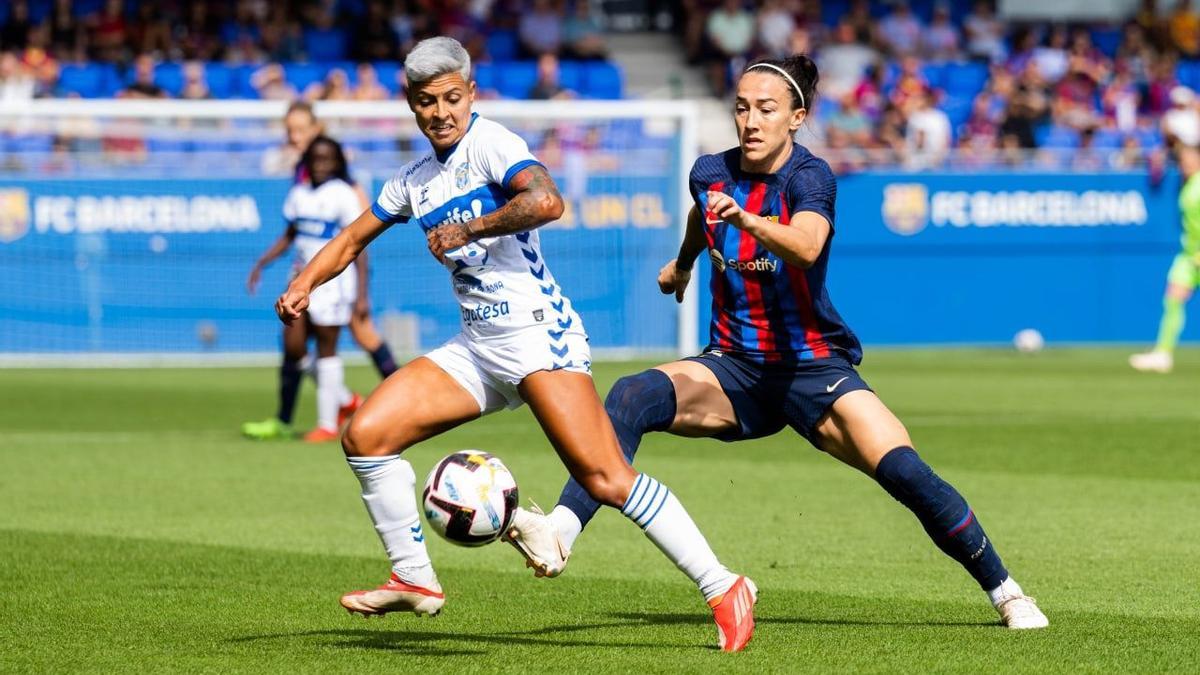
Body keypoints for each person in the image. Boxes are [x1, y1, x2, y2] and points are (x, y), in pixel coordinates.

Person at [515, 54, 1051, 631]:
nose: (750, 121)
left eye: (766, 110)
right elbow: (704, 214)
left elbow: (806, 246)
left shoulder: (810, 177)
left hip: (813, 368)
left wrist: (746, 221)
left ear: (796, 117)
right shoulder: (710, 171)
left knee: (904, 472)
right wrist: (684, 264)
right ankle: (560, 533)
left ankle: (1008, 592)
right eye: (742, 108)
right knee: (630, 395)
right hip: (734, 370)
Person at [273, 37, 757, 653]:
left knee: (607, 477)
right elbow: (350, 239)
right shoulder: (413, 180)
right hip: (477, 345)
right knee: (366, 436)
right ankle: (415, 577)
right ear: (412, 107)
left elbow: (547, 201)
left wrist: (470, 226)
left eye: (452, 97)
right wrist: (304, 283)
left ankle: (724, 586)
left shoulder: (492, 144)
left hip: (536, 335)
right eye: (427, 102)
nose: (441, 111)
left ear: (471, 94)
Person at [260, 101, 400, 382]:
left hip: (342, 267)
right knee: (295, 340)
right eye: (289, 130)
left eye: (299, 130)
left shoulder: (337, 175)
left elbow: (359, 231)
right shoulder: (303, 169)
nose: (293, 137)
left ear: (315, 128)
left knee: (360, 331)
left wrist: (361, 288)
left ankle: (402, 393)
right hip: (314, 267)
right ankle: (332, 403)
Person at [244, 136, 365, 442]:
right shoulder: (298, 194)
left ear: (338, 162)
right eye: (315, 159)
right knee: (294, 348)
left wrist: (362, 293)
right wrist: (263, 262)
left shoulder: (343, 194)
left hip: (335, 282)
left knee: (327, 349)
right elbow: (290, 235)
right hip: (300, 279)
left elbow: (358, 244)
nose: (321, 164)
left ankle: (326, 424)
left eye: (327, 159)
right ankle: (345, 399)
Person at [1131, 146, 1200, 373]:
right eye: (1184, 159)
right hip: (1189, 256)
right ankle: (1163, 353)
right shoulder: (1187, 184)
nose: (1187, 163)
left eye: (1191, 158)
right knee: (1173, 300)